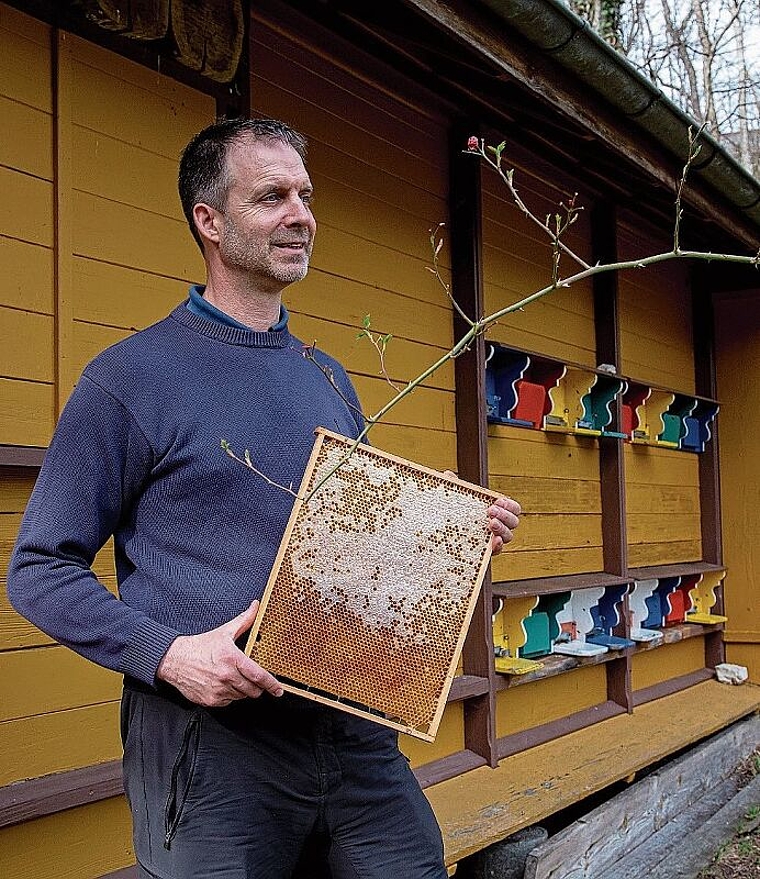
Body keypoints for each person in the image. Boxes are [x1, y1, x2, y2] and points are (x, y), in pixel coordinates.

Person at [8, 118, 521, 879]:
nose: (301, 215)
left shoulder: (327, 376)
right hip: (213, 752)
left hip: (355, 741)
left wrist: (446, 535)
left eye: (306, 195)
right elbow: (38, 568)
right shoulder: (129, 379)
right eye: (272, 196)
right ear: (208, 221)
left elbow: (351, 555)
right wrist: (170, 654)